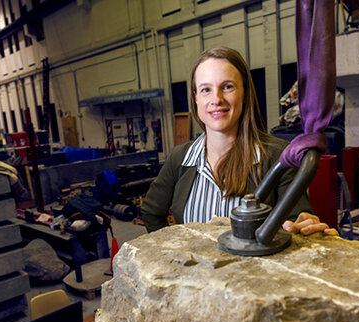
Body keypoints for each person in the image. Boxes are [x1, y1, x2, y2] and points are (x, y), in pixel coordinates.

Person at [141, 46, 338, 237]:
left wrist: (303, 228)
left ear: (244, 93)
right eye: (205, 90)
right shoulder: (180, 158)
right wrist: (174, 252)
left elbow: (295, 223)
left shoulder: (279, 158)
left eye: (227, 87)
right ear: (195, 98)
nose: (216, 99)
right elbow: (151, 212)